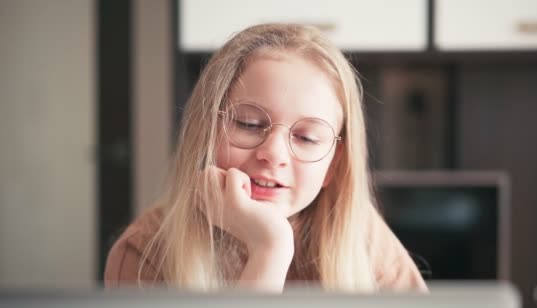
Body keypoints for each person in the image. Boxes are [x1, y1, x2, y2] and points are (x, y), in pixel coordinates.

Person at [104, 23, 427, 292]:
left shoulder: (359, 236)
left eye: (306, 137)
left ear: (333, 164)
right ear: (207, 130)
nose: (273, 154)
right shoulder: (145, 252)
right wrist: (269, 249)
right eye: (249, 124)